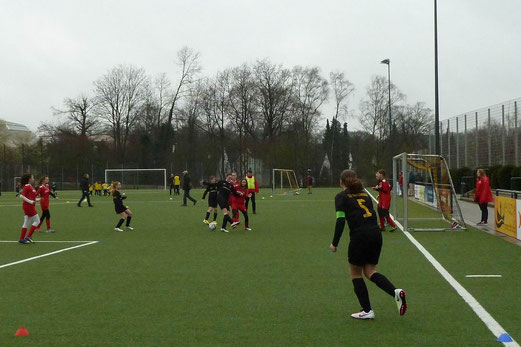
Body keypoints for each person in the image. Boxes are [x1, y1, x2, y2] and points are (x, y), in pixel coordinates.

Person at [330, 169, 407, 320]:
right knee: (370, 271)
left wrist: (334, 243)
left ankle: (367, 310)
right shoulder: (365, 194)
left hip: (360, 236)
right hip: (376, 234)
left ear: (341, 182)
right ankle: (396, 292)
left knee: (355, 273)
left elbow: (340, 220)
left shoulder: (341, 197)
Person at [18, 173, 41, 244]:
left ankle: (21, 239)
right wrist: (30, 201)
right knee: (37, 221)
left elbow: (31, 196)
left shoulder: (30, 186)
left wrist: (37, 199)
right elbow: (21, 196)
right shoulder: (27, 186)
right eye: (32, 177)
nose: (33, 179)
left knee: (26, 222)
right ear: (29, 179)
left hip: (28, 206)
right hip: (28, 206)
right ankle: (28, 236)